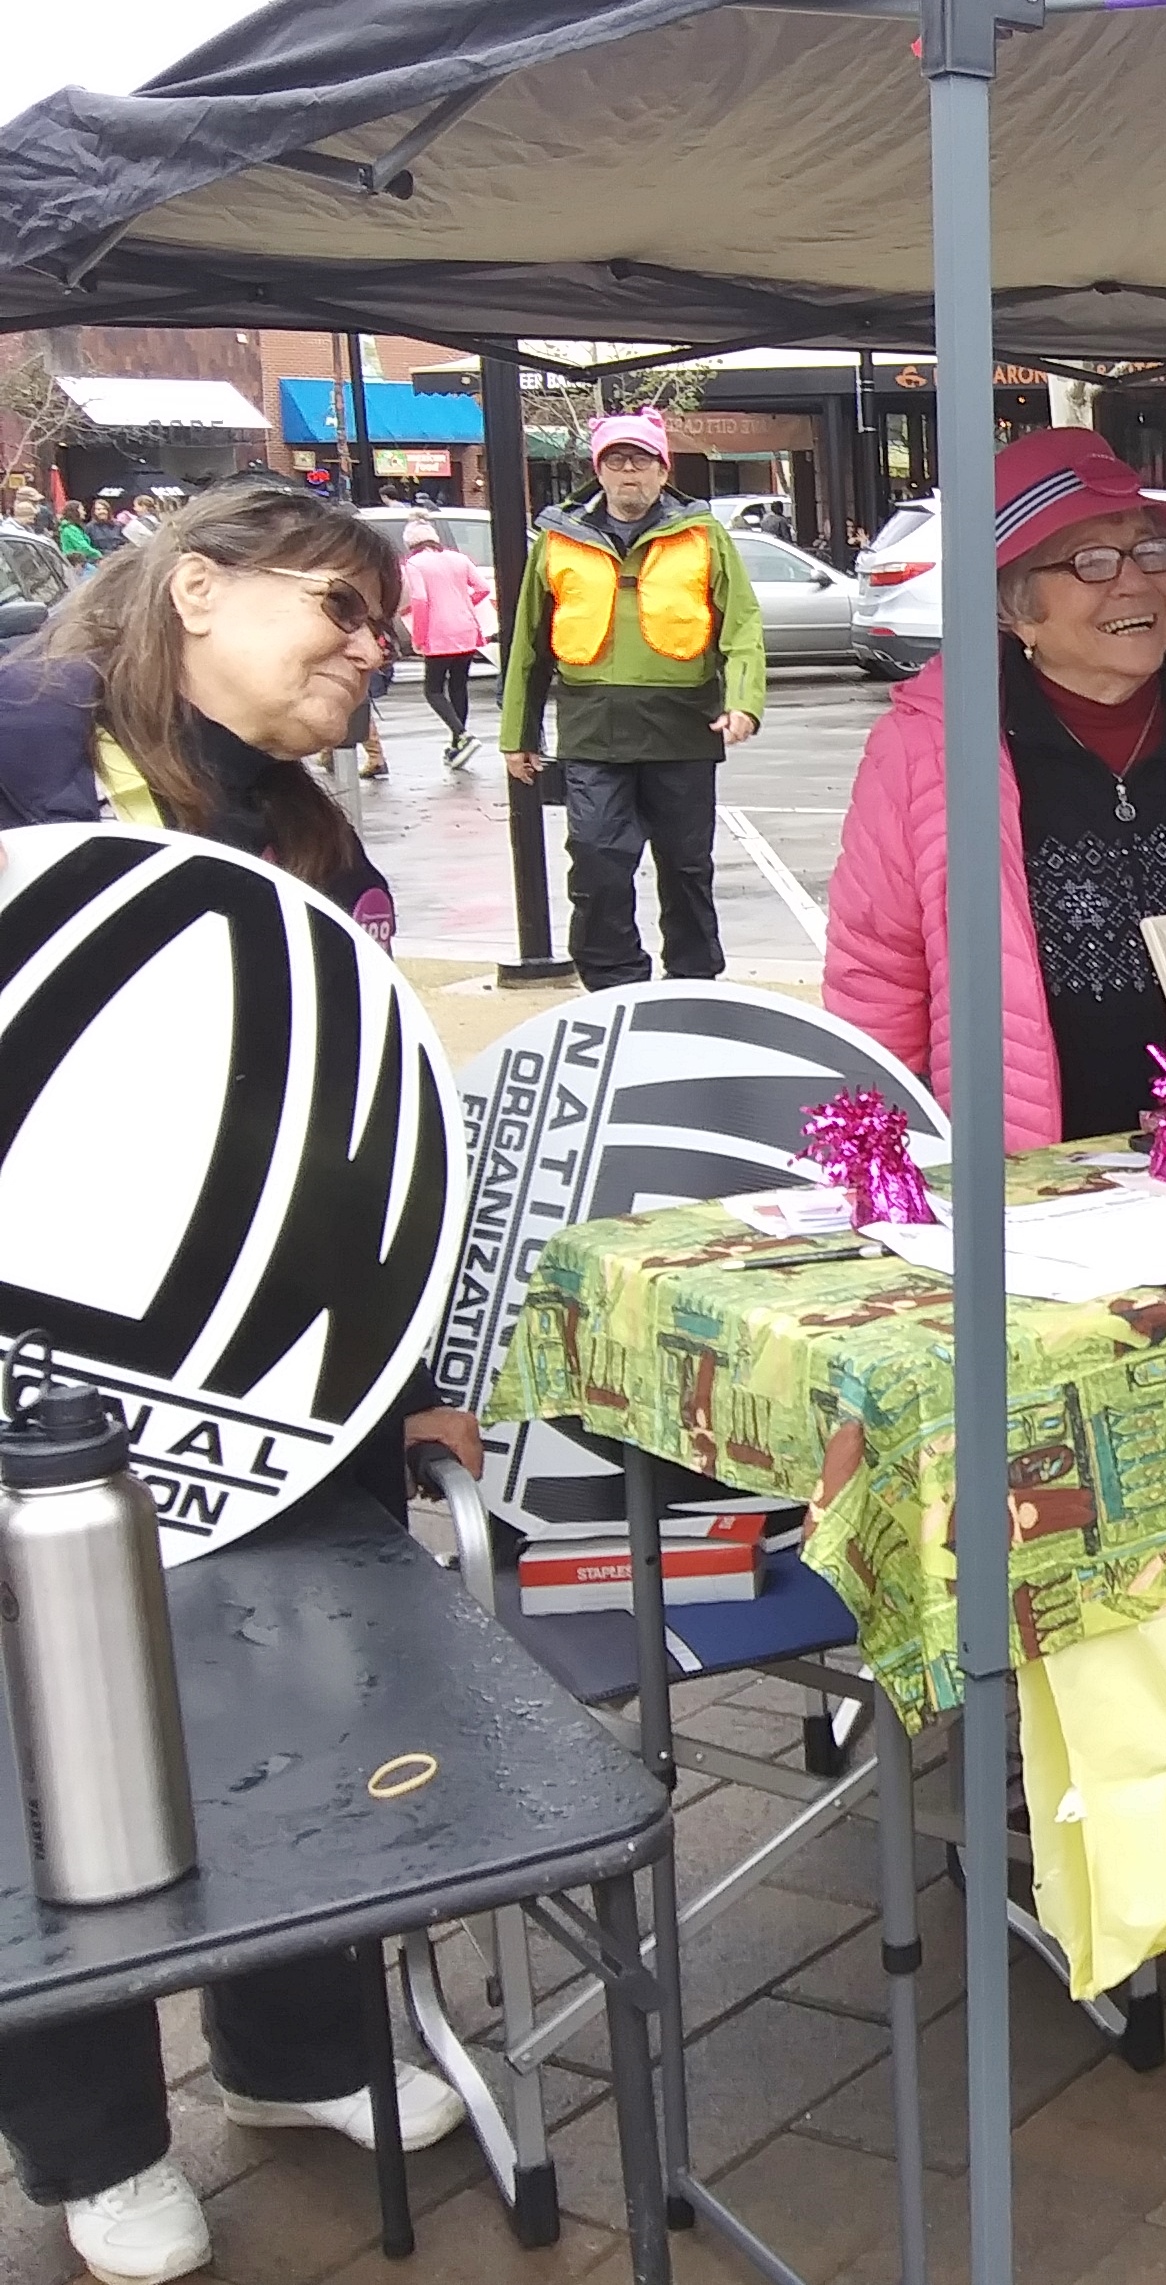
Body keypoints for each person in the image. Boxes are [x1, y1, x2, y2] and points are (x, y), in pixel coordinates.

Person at [0, 479, 482, 2285]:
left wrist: (408, 1371)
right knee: (49, 1750)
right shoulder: (22, 751)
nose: (374, 650)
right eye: (336, 613)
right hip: (33, 1367)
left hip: (276, 1384)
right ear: (195, 591)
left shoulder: (303, 832)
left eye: (380, 625)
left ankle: (294, 2054)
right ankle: (91, 2141)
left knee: (306, 1699)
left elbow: (348, 1141)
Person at [825, 428, 1166, 1146]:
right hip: (1031, 1179)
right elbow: (878, 979)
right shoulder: (928, 748)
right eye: (1091, 561)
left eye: (1152, 552)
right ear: (1015, 606)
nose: (1136, 580)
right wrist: (889, 1162)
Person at [498, 408, 767, 989]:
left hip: (684, 729)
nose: (629, 472)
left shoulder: (702, 533)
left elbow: (741, 626)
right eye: (616, 460)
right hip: (592, 728)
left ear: (662, 469)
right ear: (599, 470)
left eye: (641, 460)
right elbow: (528, 643)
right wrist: (517, 736)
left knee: (686, 866)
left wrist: (744, 703)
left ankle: (693, 981)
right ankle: (613, 982)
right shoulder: (558, 536)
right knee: (597, 860)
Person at [395, 517, 491, 769]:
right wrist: (464, 603)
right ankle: (458, 742)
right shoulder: (458, 558)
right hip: (467, 629)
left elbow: (420, 600)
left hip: (439, 634)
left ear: (411, 544)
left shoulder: (414, 565)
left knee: (433, 690)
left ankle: (462, 735)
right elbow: (482, 588)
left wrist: (419, 637)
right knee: (459, 686)